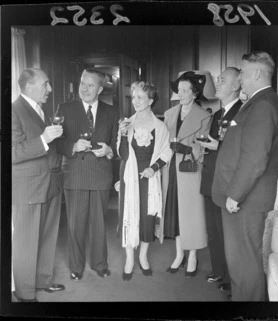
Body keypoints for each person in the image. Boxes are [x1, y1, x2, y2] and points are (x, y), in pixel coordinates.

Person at [212, 52, 278, 301]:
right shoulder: (260, 101)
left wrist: (235, 195)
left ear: (256, 73)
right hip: (245, 200)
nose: (240, 78)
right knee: (241, 261)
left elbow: (255, 159)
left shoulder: (263, 104)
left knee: (244, 262)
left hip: (244, 201)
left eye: (242, 72)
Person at [57, 68, 118, 281]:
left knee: (99, 224)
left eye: (90, 85)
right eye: (82, 83)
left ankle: (100, 264)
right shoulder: (65, 108)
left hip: (101, 174)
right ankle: (76, 266)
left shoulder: (111, 112)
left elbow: (118, 144)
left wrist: (109, 150)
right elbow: (56, 142)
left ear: (100, 89)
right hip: (75, 174)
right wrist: (73, 145)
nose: (84, 88)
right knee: (75, 224)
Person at [12, 68, 65, 302]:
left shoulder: (39, 110)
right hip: (29, 187)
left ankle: (43, 280)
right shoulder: (12, 110)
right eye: (46, 84)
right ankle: (24, 292)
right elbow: (12, 152)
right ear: (29, 86)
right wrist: (44, 139)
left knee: (46, 235)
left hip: (50, 183)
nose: (50, 89)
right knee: (26, 241)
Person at [117, 81, 172, 281]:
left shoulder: (160, 126)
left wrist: (153, 168)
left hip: (149, 178)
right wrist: (123, 134)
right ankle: (129, 259)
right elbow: (122, 155)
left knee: (147, 219)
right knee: (129, 217)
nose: (136, 101)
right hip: (130, 178)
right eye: (134, 97)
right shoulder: (126, 123)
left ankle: (143, 256)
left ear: (150, 100)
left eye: (140, 97)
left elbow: (167, 151)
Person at [161, 71, 212, 278]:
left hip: (190, 170)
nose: (179, 94)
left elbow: (205, 147)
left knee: (191, 214)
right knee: (175, 212)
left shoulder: (205, 116)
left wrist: (186, 148)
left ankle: (192, 255)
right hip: (170, 170)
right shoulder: (169, 113)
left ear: (194, 93)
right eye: (178, 90)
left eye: (184, 90)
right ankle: (179, 254)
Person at [198, 67, 243, 293]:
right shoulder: (217, 114)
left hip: (226, 182)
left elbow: (242, 149)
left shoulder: (242, 113)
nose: (218, 81)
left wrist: (218, 145)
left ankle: (230, 278)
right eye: (218, 78)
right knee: (213, 230)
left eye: (223, 79)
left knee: (227, 232)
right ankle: (218, 271)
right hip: (210, 180)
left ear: (236, 85)